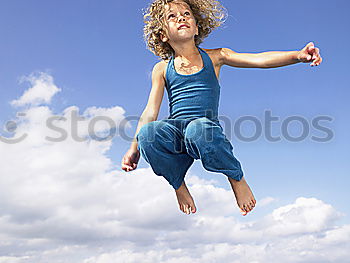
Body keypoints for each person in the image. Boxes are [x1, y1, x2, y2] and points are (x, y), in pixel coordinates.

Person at [121, 0, 322, 216]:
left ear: (196, 27)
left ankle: (236, 177)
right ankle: (178, 184)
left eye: (186, 14)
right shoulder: (161, 68)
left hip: (204, 131)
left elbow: (258, 60)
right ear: (163, 35)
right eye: (172, 16)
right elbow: (150, 111)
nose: (181, 18)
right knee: (148, 133)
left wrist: (297, 56)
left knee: (197, 129)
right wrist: (134, 148)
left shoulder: (216, 56)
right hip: (176, 133)